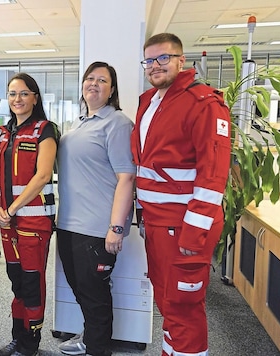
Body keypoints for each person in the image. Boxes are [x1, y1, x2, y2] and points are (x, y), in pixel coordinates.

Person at [130, 33, 231, 355]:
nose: (155, 65)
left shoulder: (204, 103)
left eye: (163, 58)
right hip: (158, 226)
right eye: (149, 60)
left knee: (184, 307)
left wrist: (194, 234)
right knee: (166, 302)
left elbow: (213, 176)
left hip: (185, 227)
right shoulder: (149, 101)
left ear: (180, 60)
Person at [56, 62, 136, 356]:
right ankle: (90, 337)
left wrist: (116, 227)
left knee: (95, 294)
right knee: (81, 289)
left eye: (102, 80)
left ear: (112, 90)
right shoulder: (79, 123)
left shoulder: (117, 123)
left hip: (96, 226)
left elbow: (126, 177)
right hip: (68, 223)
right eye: (89, 78)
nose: (94, 83)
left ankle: (98, 349)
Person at [0, 73, 60, 356]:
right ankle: (17, 337)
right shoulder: (6, 131)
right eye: (12, 94)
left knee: (32, 281)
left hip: (33, 220)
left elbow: (43, 175)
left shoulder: (45, 130)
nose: (17, 99)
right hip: (8, 219)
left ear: (35, 97)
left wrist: (10, 208)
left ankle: (30, 344)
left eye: (23, 93)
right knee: (16, 280)